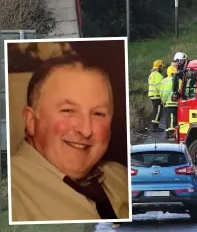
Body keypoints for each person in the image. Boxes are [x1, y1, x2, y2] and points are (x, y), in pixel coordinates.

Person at [10, 54, 129, 222]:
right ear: (31, 121)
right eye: (68, 111)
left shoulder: (120, 176)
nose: (86, 130)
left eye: (98, 113)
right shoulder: (12, 192)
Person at [160, 66, 181, 140]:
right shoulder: (179, 80)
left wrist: (163, 100)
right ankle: (172, 133)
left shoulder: (164, 81)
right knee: (174, 118)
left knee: (169, 118)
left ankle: (169, 133)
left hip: (168, 103)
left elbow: (163, 92)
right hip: (177, 103)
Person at [148, 59, 164, 132]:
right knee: (158, 110)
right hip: (156, 95)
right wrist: (162, 96)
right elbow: (159, 87)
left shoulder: (152, 74)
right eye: (161, 67)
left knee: (155, 110)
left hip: (153, 95)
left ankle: (154, 125)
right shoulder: (157, 75)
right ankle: (155, 127)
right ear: (159, 67)